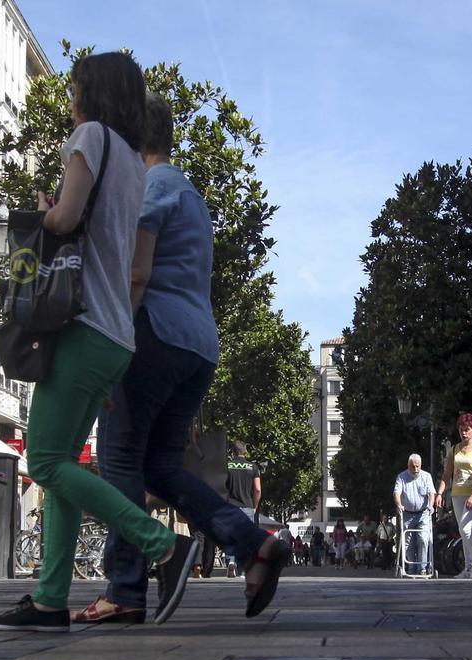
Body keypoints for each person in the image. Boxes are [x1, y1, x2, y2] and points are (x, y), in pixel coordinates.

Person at [0, 53, 197, 632]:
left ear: (92, 93)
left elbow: (67, 216)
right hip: (115, 335)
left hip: (80, 328)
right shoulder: (135, 162)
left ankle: (163, 545)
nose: (71, 96)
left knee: (45, 462)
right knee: (61, 473)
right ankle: (51, 599)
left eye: (76, 86)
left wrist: (43, 214)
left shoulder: (89, 138)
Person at [81, 91, 288, 625]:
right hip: (198, 345)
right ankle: (251, 543)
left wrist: (112, 340)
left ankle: (125, 587)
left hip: (153, 333)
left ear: (130, 138)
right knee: (161, 466)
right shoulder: (190, 193)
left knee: (120, 459)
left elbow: (137, 271)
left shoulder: (151, 186)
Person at [435, 412, 472, 579]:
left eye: (467, 429)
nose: (464, 433)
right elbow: (447, 474)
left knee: (465, 529)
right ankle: (467, 567)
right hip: (457, 494)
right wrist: (440, 493)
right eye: (461, 430)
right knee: (463, 530)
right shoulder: (454, 450)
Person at [224, 441, 264, 578]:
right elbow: (258, 489)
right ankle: (242, 569)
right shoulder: (253, 467)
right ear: (245, 452)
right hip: (247, 506)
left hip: (230, 506)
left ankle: (231, 560)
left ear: (232, 452)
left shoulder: (227, 466)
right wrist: (255, 506)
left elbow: (221, 487)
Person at [394, 453, 435, 575]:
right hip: (407, 514)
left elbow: (431, 492)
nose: (416, 469)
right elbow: (396, 493)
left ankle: (422, 569)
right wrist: (398, 504)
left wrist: (430, 505)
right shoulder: (402, 477)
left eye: (418, 466)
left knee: (423, 539)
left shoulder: (426, 476)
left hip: (422, 513)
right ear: (408, 465)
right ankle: (411, 568)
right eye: (413, 466)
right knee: (408, 542)